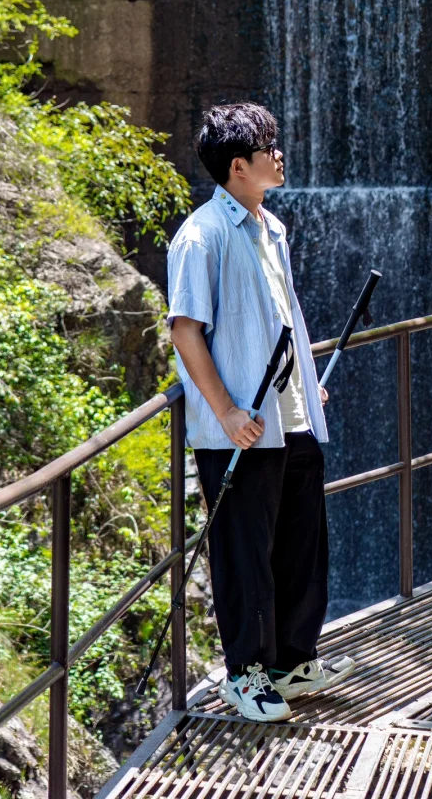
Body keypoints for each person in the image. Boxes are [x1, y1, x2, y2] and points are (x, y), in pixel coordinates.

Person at [167, 102, 355, 722]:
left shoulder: (269, 226)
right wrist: (222, 412)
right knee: (244, 555)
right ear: (239, 165)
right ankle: (244, 677)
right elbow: (187, 330)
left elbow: (280, 316)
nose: (280, 154)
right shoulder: (203, 234)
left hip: (291, 413)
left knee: (302, 543)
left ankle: (291, 663)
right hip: (241, 427)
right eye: (269, 146)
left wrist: (305, 381)